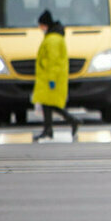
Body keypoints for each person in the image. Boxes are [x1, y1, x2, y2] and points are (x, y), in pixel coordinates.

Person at [32, 10, 80, 141]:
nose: (40, 28)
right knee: (48, 104)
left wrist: (52, 80)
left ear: (45, 24)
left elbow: (53, 61)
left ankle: (71, 121)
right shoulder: (53, 37)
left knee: (50, 104)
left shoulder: (52, 39)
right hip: (49, 77)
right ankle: (49, 129)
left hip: (50, 77)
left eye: (41, 25)